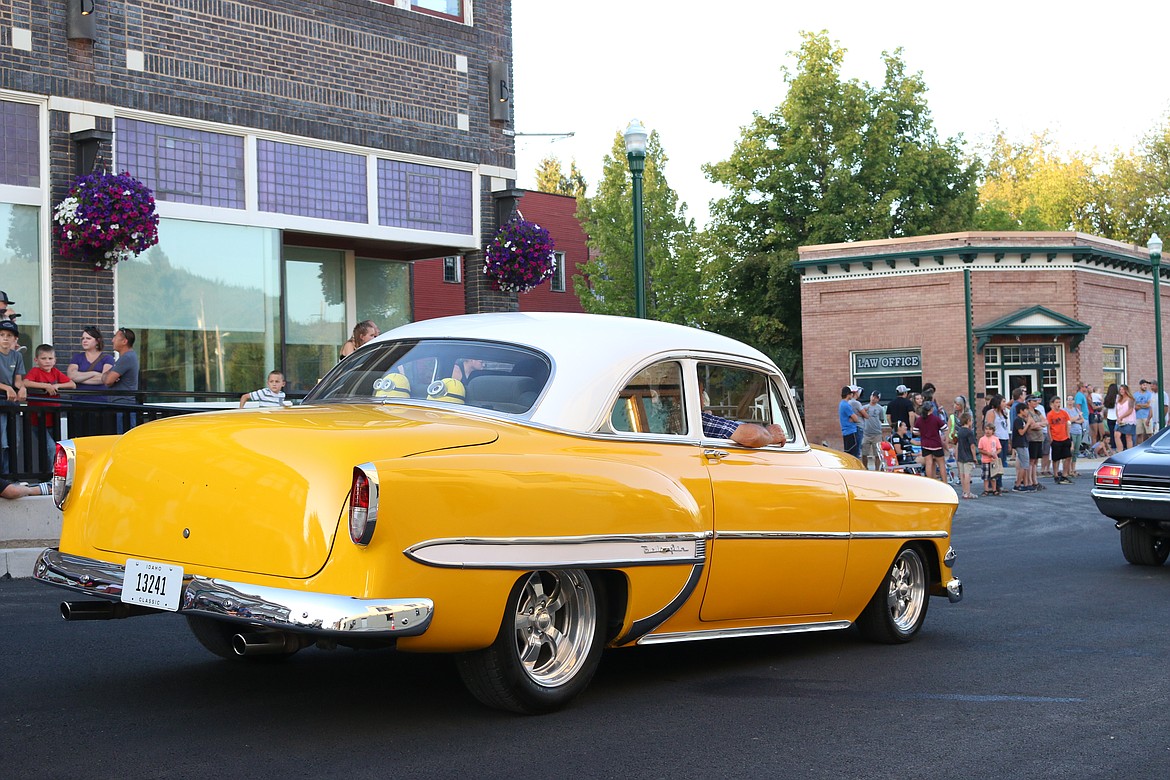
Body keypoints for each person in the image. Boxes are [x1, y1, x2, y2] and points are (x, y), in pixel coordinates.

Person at [22, 344, 76, 465]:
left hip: (53, 418)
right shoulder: (35, 371)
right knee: (50, 448)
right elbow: (25, 382)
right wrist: (46, 386)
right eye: (43, 358)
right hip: (37, 419)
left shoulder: (55, 372)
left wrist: (57, 386)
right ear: (36, 360)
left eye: (50, 358)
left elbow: (72, 384)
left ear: (55, 360)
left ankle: (53, 475)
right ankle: (48, 476)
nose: (47, 361)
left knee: (56, 448)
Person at [0, 320, 27, 474]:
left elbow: (18, 380)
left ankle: (11, 475)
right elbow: (10, 385)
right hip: (2, 401)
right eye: (2, 335)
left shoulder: (16, 356)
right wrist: (6, 387)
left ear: (14, 339)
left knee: (13, 441)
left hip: (11, 404)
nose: (5, 338)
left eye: (9, 335)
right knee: (2, 442)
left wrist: (22, 388)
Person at [103, 327, 139, 433]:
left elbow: (108, 380)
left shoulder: (126, 358)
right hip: (122, 407)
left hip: (124, 407)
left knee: (123, 439)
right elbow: (108, 378)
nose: (112, 340)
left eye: (115, 337)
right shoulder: (126, 357)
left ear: (124, 341)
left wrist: (107, 374)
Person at [67, 326, 116, 402]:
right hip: (79, 401)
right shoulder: (77, 357)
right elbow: (71, 376)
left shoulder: (107, 358)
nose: (84, 341)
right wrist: (94, 373)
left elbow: (104, 379)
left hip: (100, 401)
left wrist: (79, 378)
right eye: (83, 338)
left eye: (88, 338)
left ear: (97, 341)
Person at [701, 409, 787, 448]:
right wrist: (771, 435)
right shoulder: (702, 419)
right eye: (701, 392)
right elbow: (753, 436)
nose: (704, 399)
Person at [916, 400, 947, 482]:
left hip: (925, 443)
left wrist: (922, 433)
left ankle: (930, 482)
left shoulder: (919, 419)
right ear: (931, 409)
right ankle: (945, 482)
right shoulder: (936, 419)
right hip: (936, 443)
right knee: (941, 464)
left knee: (928, 463)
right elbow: (945, 428)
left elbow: (915, 431)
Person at [1047, 395, 1073, 484]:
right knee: (1056, 458)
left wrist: (1068, 436)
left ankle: (1064, 474)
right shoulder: (1050, 414)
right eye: (1056, 402)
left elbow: (1067, 424)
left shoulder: (1064, 413)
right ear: (1052, 404)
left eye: (1059, 402)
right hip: (1055, 438)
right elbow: (1049, 427)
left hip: (1064, 437)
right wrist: (1051, 439)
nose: (1058, 404)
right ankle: (1056, 474)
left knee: (1067, 456)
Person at [1011, 401, 1036, 492]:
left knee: (1024, 464)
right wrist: (1028, 423)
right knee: (1024, 464)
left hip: (1024, 443)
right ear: (1021, 411)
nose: (1027, 412)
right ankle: (1018, 484)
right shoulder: (1018, 420)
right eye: (1025, 410)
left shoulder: (1022, 420)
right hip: (1020, 444)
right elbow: (1021, 432)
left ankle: (1025, 484)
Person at [955, 411, 978, 499]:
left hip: (961, 455)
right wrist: (974, 457)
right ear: (968, 421)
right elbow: (972, 446)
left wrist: (956, 455)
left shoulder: (959, 431)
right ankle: (968, 492)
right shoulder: (969, 432)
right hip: (968, 456)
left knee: (962, 475)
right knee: (968, 475)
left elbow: (958, 444)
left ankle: (964, 492)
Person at [860, 391, 886, 469]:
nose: (874, 398)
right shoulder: (864, 407)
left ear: (878, 399)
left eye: (876, 397)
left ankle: (877, 469)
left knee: (877, 454)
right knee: (864, 453)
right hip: (866, 433)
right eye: (873, 396)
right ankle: (865, 468)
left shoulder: (880, 408)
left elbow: (881, 419)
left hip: (876, 433)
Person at [1026, 395, 1047, 490]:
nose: (1036, 403)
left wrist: (1038, 424)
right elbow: (1031, 425)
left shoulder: (1037, 412)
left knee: (1036, 461)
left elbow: (1046, 422)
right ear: (1028, 402)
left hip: (1039, 438)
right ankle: (1030, 480)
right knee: (1031, 460)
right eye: (1033, 401)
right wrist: (1038, 425)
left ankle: (1035, 480)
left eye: (1036, 401)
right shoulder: (1027, 413)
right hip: (1032, 439)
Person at [978, 422, 1003, 496]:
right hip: (985, 460)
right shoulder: (982, 439)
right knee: (985, 476)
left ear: (993, 431)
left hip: (993, 461)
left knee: (993, 477)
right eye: (986, 429)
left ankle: (994, 489)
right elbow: (980, 449)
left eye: (990, 429)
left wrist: (995, 453)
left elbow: (999, 448)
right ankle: (986, 490)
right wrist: (987, 453)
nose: (988, 431)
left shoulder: (995, 439)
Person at [838, 385, 861, 457]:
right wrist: (854, 418)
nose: (852, 395)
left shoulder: (841, 404)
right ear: (848, 394)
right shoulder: (846, 405)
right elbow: (856, 419)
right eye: (851, 393)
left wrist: (852, 418)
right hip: (851, 431)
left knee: (848, 452)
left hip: (846, 432)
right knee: (854, 454)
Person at [1066, 394, 1086, 468]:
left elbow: (1082, 419)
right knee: (1071, 450)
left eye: (1071, 399)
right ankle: (1069, 469)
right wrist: (1077, 417)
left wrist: (1076, 421)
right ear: (1066, 401)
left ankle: (1073, 468)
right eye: (1068, 399)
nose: (1070, 401)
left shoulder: (1076, 409)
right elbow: (1069, 420)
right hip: (1071, 431)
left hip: (1079, 431)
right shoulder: (1065, 410)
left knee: (1076, 451)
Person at [1115, 383, 1136, 452]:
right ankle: (1119, 450)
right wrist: (1118, 418)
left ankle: (1129, 452)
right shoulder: (1118, 399)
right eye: (1120, 389)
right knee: (1116, 435)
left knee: (1128, 437)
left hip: (1128, 419)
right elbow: (1117, 410)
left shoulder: (1130, 399)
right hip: (1120, 420)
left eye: (1123, 389)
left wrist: (1121, 417)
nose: (1121, 391)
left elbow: (1130, 410)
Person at [1134, 379, 1154, 444]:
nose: (1145, 386)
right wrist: (1143, 405)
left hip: (1147, 416)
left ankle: (1151, 445)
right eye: (1144, 385)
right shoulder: (1135, 395)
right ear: (1140, 385)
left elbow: (1148, 405)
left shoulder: (1149, 394)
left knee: (1149, 433)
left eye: (1146, 385)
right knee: (1139, 434)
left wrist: (1139, 405)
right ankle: (1139, 446)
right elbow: (1134, 407)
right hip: (1138, 417)